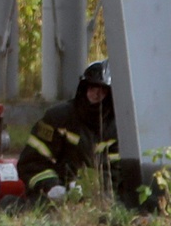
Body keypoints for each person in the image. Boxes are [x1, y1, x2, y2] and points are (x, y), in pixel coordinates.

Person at [18, 61, 118, 201]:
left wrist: (105, 194)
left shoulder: (116, 127)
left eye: (103, 90)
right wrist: (51, 187)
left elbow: (118, 172)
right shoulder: (59, 118)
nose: (96, 94)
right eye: (92, 88)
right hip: (54, 195)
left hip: (96, 201)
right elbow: (31, 162)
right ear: (83, 88)